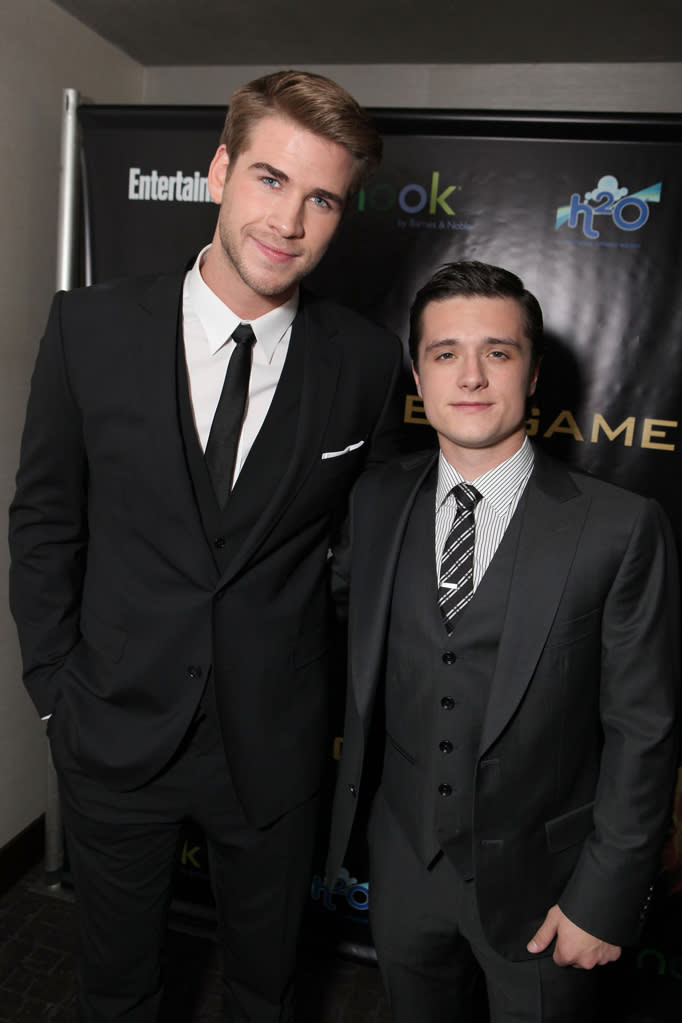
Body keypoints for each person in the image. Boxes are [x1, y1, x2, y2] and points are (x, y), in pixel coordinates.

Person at [9, 70, 403, 1023]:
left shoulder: (365, 362)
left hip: (271, 746)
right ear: (220, 169)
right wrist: (57, 696)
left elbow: (371, 552)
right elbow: (45, 522)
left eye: (322, 198)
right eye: (271, 179)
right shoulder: (88, 328)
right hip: (111, 730)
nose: (289, 221)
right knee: (115, 987)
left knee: (267, 989)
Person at [325, 260, 680, 1022]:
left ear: (534, 370)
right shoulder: (376, 499)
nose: (473, 375)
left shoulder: (619, 527)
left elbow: (644, 731)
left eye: (500, 351)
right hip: (401, 868)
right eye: (446, 352)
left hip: (548, 890)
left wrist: (603, 898)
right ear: (418, 375)